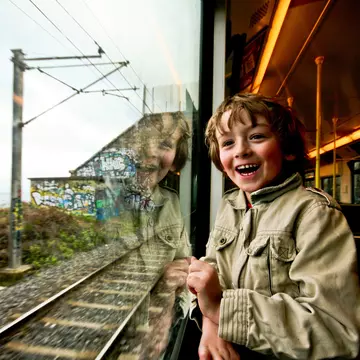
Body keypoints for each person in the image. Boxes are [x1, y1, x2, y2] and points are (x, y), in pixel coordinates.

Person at [187, 93, 360, 359]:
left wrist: (221, 309)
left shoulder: (314, 214)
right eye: (228, 142)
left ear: (287, 149)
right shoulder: (231, 204)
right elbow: (214, 274)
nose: (241, 150)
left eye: (256, 136)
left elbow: (337, 331)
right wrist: (210, 323)